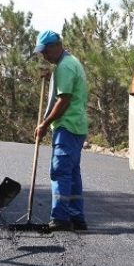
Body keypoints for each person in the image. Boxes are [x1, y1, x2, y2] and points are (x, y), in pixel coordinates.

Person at [33, 30, 88, 232]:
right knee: (72, 173)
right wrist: (51, 78)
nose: (44, 56)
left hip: (66, 126)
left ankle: (61, 218)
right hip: (77, 126)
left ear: (56, 46)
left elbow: (63, 100)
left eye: (46, 51)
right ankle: (76, 217)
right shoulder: (71, 63)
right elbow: (66, 90)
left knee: (60, 172)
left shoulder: (64, 67)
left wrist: (45, 123)